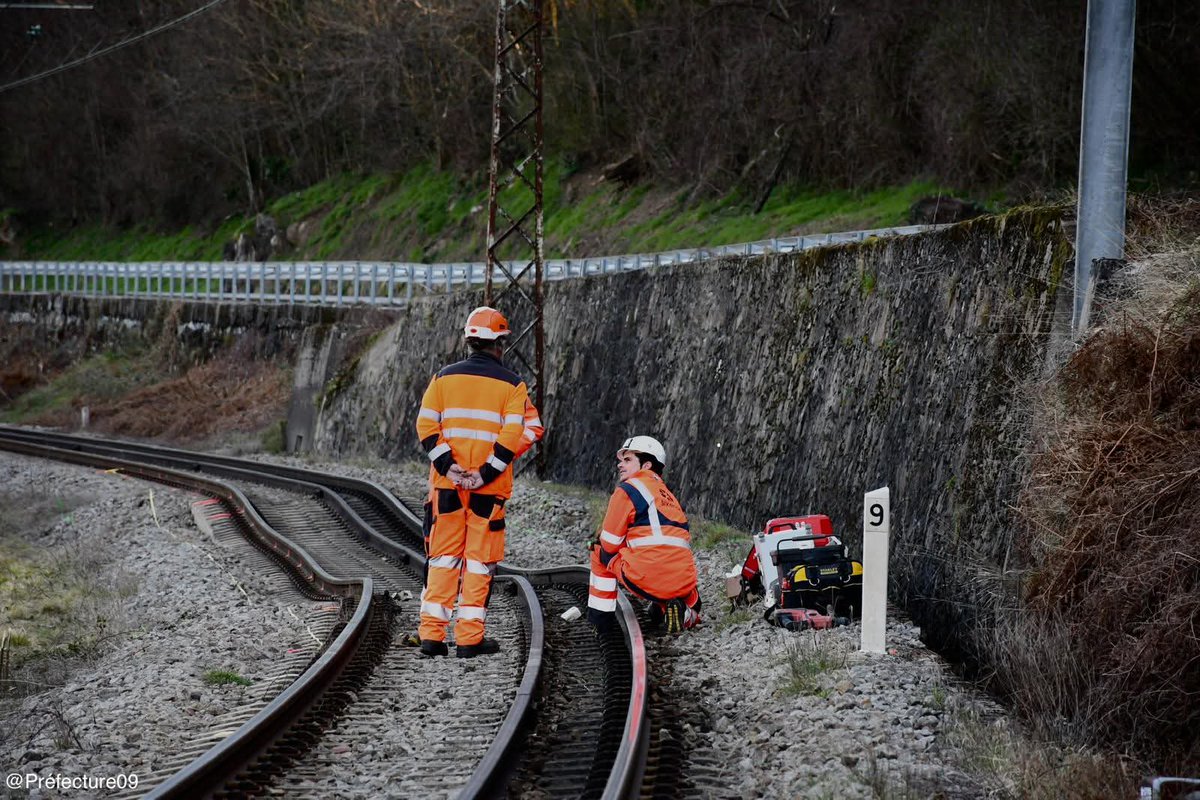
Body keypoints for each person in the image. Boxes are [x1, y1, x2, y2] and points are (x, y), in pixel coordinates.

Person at [415, 306, 535, 658]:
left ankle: (431, 636)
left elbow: (426, 427)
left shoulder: (442, 378)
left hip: (447, 487)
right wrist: (484, 474)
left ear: (468, 340)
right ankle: (469, 639)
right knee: (479, 561)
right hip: (488, 490)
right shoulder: (514, 385)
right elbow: (513, 435)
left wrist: (450, 469)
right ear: (500, 344)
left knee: (443, 557)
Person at [587, 435, 702, 634]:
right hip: (684, 581)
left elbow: (609, 544)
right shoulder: (668, 495)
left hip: (649, 577)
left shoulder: (628, 489)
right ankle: (680, 611)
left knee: (598, 551)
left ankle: (601, 621)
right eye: (621, 460)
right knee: (665, 565)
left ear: (647, 465)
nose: (620, 465)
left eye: (628, 460)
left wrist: (603, 540)